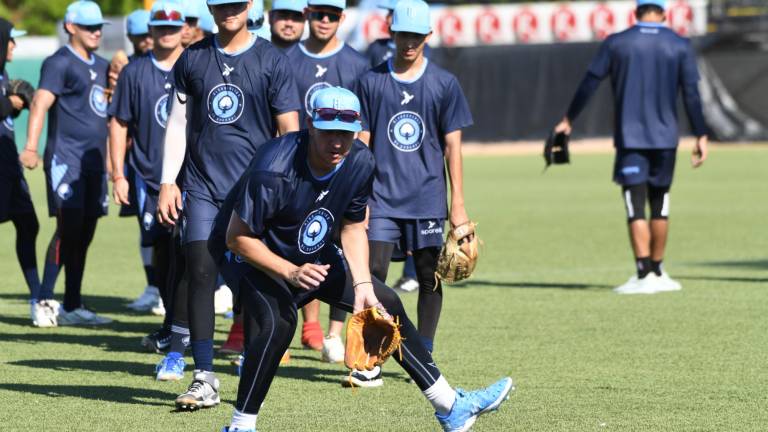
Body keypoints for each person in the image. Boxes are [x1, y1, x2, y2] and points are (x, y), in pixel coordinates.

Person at [209, 86, 513, 432]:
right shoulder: (273, 168)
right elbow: (236, 238)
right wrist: (290, 271)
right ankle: (240, 426)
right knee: (279, 322)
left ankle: (450, 406)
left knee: (384, 300)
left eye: (345, 132)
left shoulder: (360, 160)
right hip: (249, 252)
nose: (337, 142)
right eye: (328, 131)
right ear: (311, 125)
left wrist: (363, 284)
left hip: (307, 245)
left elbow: (353, 227)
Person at [157, 0, 299, 409]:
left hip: (255, 193)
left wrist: (287, 190)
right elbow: (178, 123)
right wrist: (168, 181)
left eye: (236, 3)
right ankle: (203, 377)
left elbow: (289, 131)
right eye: (220, 4)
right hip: (201, 186)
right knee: (199, 269)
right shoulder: (192, 58)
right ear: (209, 7)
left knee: (255, 284)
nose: (228, 10)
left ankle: (251, 367)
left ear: (250, 5)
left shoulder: (271, 59)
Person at [553, 0, 708, 295]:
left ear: (635, 11)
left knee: (635, 205)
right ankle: (659, 271)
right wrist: (701, 133)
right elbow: (691, 93)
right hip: (666, 139)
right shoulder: (679, 44)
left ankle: (642, 272)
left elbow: (590, 82)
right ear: (664, 11)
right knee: (660, 203)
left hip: (631, 137)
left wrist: (568, 119)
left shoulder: (618, 43)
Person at [355, 0, 473, 387]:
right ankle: (372, 357)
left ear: (428, 36)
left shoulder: (443, 83)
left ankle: (424, 352)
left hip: (426, 198)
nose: (409, 43)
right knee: (372, 276)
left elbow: (453, 147)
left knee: (429, 278)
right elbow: (363, 143)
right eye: (403, 34)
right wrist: (359, 199)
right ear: (392, 32)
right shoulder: (371, 81)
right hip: (381, 198)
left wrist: (457, 206)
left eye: (417, 36)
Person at [285, 0, 369, 362]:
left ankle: (335, 333)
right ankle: (296, 325)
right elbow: (283, 119)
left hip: (343, 173)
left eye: (331, 15)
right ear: (307, 15)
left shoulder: (357, 64)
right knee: (300, 245)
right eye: (317, 13)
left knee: (343, 249)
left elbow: (363, 130)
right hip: (301, 173)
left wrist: (355, 174)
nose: (323, 20)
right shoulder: (287, 60)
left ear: (342, 18)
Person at [20, 0, 112, 326]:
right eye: (89, 26)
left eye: (100, 26)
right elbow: (40, 105)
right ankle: (44, 299)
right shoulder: (58, 63)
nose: (97, 31)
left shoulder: (102, 65)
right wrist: (31, 147)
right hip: (65, 160)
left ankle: (73, 304)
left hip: (95, 164)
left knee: (85, 233)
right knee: (68, 229)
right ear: (71, 27)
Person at [108, 1, 187, 379]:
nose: (167, 33)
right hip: (148, 178)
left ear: (183, 30)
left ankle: (187, 328)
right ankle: (171, 325)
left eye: (173, 28)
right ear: (150, 31)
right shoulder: (135, 72)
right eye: (160, 27)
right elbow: (119, 124)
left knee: (191, 253)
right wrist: (118, 175)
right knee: (162, 251)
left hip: (192, 179)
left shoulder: (196, 64)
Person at [0, 20, 49, 326]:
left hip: (7, 166)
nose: (14, 45)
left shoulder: (3, 73)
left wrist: (13, 105)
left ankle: (36, 298)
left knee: (28, 225)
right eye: (10, 40)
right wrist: (9, 103)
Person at [120, 8, 165, 315]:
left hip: (177, 169)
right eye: (141, 36)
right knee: (147, 231)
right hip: (141, 165)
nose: (147, 41)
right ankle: (154, 287)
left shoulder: (180, 64)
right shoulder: (130, 70)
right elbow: (119, 122)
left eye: (149, 35)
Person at [364, 0, 430, 68]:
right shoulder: (376, 46)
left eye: (393, 13)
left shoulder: (423, 49)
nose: (387, 17)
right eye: (388, 12)